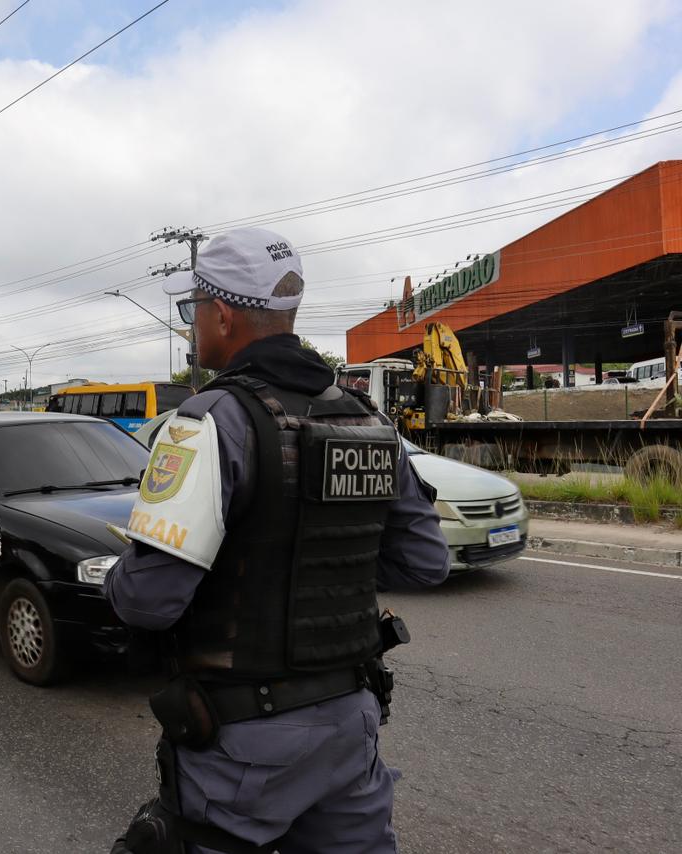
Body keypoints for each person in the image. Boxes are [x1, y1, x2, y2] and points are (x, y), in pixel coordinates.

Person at [105, 227, 450, 854]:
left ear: (223, 315)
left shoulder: (208, 422)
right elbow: (426, 562)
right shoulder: (368, 420)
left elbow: (147, 601)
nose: (192, 325)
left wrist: (116, 574)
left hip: (246, 739)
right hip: (350, 720)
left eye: (193, 309)